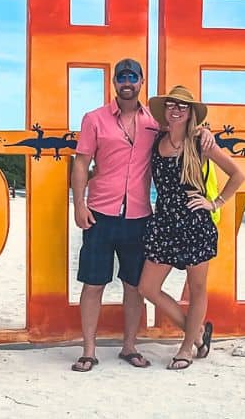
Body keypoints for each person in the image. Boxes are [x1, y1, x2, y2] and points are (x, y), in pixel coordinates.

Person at [70, 59, 214, 372]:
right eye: (121, 76)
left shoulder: (154, 122)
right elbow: (81, 163)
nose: (127, 81)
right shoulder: (94, 119)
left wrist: (205, 132)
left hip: (139, 217)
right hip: (99, 213)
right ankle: (89, 351)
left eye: (132, 77)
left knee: (134, 286)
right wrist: (79, 204)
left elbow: (183, 129)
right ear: (114, 82)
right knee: (93, 285)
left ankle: (130, 347)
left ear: (141, 82)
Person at [138, 85, 245, 371]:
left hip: (194, 224)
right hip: (163, 224)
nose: (175, 110)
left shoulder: (200, 143)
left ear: (190, 114)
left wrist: (215, 203)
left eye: (182, 107)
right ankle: (197, 333)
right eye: (171, 105)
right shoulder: (156, 141)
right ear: (165, 110)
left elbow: (238, 174)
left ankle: (186, 347)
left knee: (197, 290)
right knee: (147, 287)